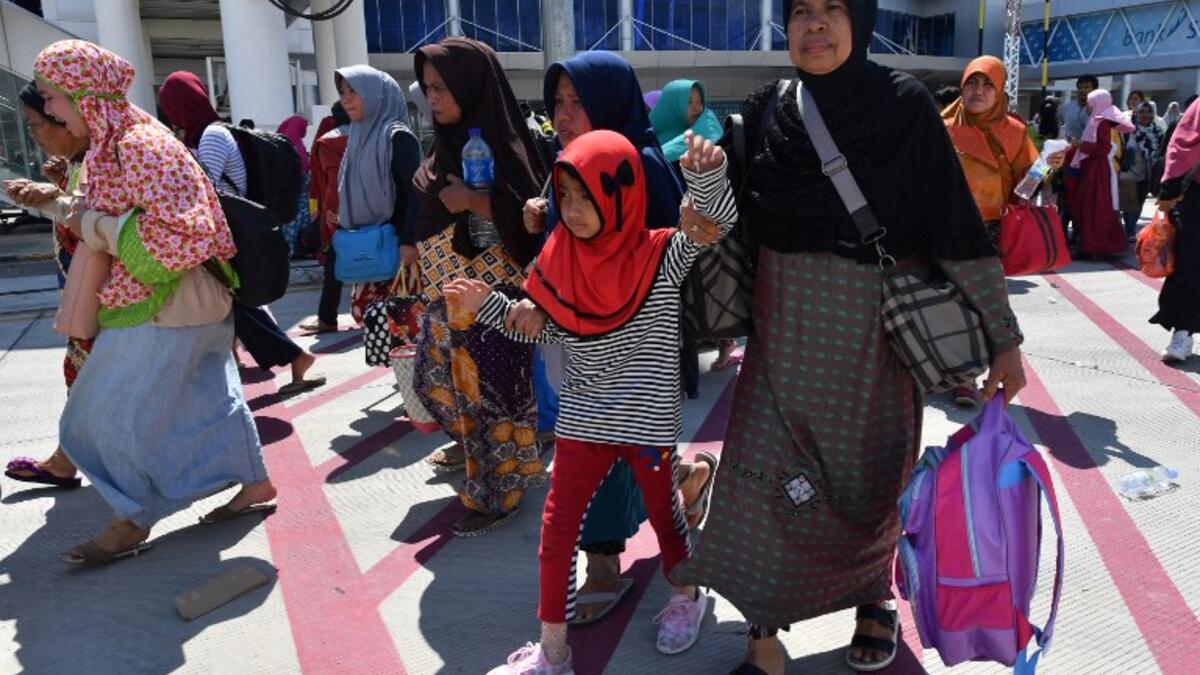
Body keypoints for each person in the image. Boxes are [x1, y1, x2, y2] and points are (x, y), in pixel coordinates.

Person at [667, 2, 1026, 673]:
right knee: (759, 485)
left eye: (834, 9)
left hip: (873, 347)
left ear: (859, 19)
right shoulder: (771, 107)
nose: (817, 25)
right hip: (781, 344)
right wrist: (701, 204)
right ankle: (763, 636)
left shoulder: (904, 106)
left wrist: (1004, 339)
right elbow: (732, 219)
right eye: (802, 10)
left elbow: (954, 224)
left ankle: (873, 599)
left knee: (867, 488)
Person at [445, 129, 735, 674]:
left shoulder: (660, 254)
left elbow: (715, 225)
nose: (574, 212)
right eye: (566, 197)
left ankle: (686, 596)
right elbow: (544, 331)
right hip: (584, 420)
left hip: (647, 422)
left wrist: (706, 176)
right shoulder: (558, 261)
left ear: (620, 192)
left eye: (587, 196)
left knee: (665, 517)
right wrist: (494, 309)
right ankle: (553, 656)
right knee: (556, 534)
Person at [8, 40, 277, 563]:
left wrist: (88, 222)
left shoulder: (137, 146)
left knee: (97, 417)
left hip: (166, 301)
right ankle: (254, 485)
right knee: (208, 402)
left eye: (52, 98)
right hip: (181, 303)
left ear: (83, 96)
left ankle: (132, 516)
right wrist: (61, 206)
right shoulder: (118, 144)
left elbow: (179, 237)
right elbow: (117, 217)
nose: (50, 111)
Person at [523, 50, 717, 626]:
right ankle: (691, 476)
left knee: (612, 453)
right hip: (575, 341)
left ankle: (604, 560)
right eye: (556, 102)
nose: (561, 114)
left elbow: (661, 258)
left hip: (635, 353)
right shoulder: (564, 163)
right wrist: (542, 216)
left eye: (576, 101)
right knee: (622, 455)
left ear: (608, 101)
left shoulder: (647, 166)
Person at [411, 37, 547, 536]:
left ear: (470, 86)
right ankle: (492, 455)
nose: (434, 99)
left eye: (443, 88)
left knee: (489, 396)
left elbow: (535, 220)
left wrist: (475, 200)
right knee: (433, 382)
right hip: (445, 293)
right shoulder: (441, 145)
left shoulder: (505, 144)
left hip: (492, 295)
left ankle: (498, 492)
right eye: (427, 89)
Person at [158, 71, 325, 394]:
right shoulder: (201, 136)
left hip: (227, 234)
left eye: (171, 107)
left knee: (235, 299)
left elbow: (205, 187)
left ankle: (293, 355)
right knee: (234, 299)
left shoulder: (212, 136)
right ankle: (256, 356)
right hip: (220, 232)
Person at [943, 56, 1063, 407]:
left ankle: (979, 370)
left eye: (987, 85)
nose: (977, 91)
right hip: (945, 229)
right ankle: (963, 377)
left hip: (993, 231)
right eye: (971, 83)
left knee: (985, 305)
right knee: (953, 305)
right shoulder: (938, 126)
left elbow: (1025, 188)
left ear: (999, 92)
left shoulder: (1013, 132)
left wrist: (1047, 166)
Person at [3, 83, 91, 489]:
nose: (34, 134)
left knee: (93, 376)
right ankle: (67, 457)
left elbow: (101, 227)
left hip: (102, 297)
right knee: (86, 375)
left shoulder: (104, 158)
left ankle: (67, 460)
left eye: (38, 123)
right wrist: (61, 187)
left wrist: (55, 199)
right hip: (84, 293)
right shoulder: (82, 159)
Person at [329, 65, 422, 333]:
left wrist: (408, 239)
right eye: (342, 92)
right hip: (368, 246)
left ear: (376, 96)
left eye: (354, 91)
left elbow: (414, 191)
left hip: (396, 250)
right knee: (371, 320)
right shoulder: (358, 136)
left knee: (403, 323)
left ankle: (408, 373)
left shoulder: (396, 136)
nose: (345, 98)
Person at [1154, 98, 1200, 363]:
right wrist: (1170, 185)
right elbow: (1183, 144)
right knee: (1190, 265)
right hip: (1196, 198)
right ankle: (1182, 333)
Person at [299, 102, 351, 334]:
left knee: (333, 265)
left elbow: (321, 183)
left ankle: (327, 318)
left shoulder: (326, 142)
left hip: (335, 212)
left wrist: (323, 216)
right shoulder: (372, 136)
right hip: (371, 208)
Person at [1065, 89, 1134, 258]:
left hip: (1097, 169)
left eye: (1091, 102)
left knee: (1093, 207)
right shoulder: (1098, 120)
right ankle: (1092, 246)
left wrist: (1081, 144)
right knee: (1091, 207)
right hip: (1093, 167)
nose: (1088, 106)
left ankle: (1094, 247)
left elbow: (1104, 148)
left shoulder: (1101, 122)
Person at [1123, 102, 1164, 237]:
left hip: (1148, 174)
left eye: (1149, 111)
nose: (1145, 115)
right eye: (1142, 111)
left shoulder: (1157, 132)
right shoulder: (1128, 131)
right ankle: (1129, 232)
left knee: (1139, 204)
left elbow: (1161, 153)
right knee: (1129, 205)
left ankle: (1131, 229)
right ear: (1136, 113)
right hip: (1129, 175)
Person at [276, 115, 313, 258]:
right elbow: (303, 166)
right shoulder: (295, 143)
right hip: (299, 189)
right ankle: (295, 248)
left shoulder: (282, 141)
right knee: (298, 217)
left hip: (288, 191)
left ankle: (292, 249)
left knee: (292, 218)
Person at [1060, 75, 1097, 142]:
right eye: (1080, 87)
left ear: (1095, 90)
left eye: (1086, 87)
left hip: (1092, 150)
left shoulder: (1101, 110)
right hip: (1070, 149)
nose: (1082, 90)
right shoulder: (1067, 107)